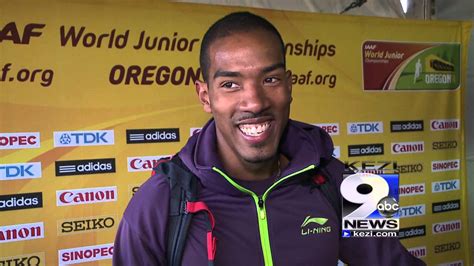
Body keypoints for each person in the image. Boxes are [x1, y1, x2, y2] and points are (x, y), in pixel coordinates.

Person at [113, 11, 425, 266]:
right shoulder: (157, 201)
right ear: (205, 96)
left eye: (270, 79)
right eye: (231, 85)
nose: (255, 102)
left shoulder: (349, 183)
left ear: (289, 86)